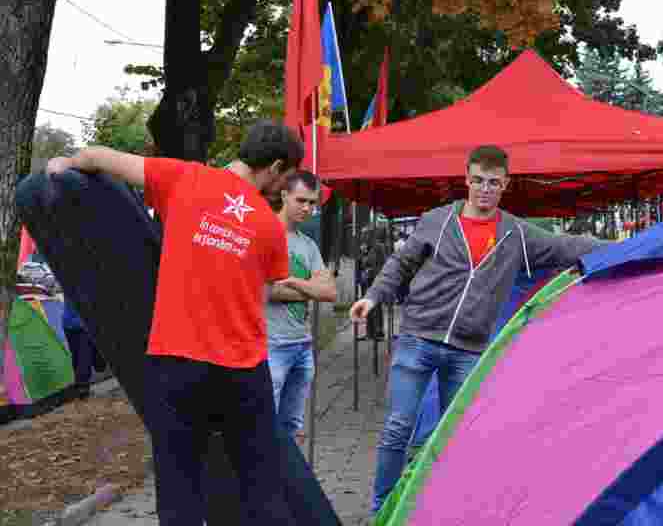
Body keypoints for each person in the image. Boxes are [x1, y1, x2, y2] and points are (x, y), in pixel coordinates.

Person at [46, 119, 303, 526]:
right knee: (260, 486)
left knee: (179, 489)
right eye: (286, 178)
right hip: (243, 370)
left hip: (179, 364)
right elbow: (264, 293)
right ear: (274, 166)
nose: (283, 188)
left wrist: (65, 163)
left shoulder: (183, 177)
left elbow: (101, 157)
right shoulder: (269, 225)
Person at [350, 145, 607, 513]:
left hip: (468, 350)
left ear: (506, 185)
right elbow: (401, 263)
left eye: (493, 183)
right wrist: (373, 297)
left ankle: (428, 508)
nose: (484, 189)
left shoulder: (515, 233)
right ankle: (382, 508)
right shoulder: (437, 220)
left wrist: (624, 246)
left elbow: (564, 246)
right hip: (418, 337)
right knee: (398, 428)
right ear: (466, 179)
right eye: (478, 181)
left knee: (450, 438)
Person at [266, 170, 337, 445]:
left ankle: (285, 485)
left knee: (292, 427)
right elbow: (263, 289)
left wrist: (294, 282)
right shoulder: (266, 234)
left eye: (312, 202)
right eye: (301, 200)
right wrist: (309, 289)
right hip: (271, 345)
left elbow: (329, 292)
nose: (307, 208)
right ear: (284, 195)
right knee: (266, 426)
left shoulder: (307, 245)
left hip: (302, 346)